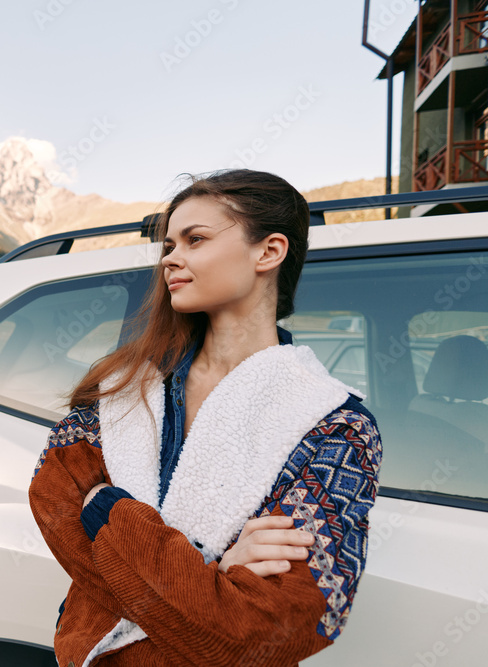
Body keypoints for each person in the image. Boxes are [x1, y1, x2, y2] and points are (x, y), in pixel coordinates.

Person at [28, 169, 382, 667]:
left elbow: (266, 632)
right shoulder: (125, 386)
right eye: (169, 244)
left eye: (195, 240)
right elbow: (53, 499)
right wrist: (212, 571)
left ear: (269, 252)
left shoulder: (334, 426)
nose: (171, 257)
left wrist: (105, 510)